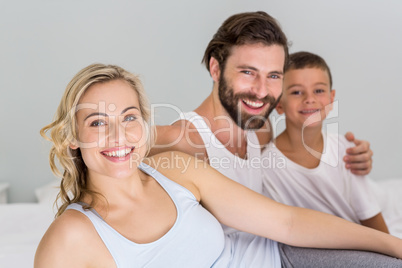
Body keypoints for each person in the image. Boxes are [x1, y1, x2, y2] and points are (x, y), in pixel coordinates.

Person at [35, 63, 402, 268]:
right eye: (98, 123)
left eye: (129, 118)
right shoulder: (70, 239)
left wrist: (393, 245)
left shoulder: (175, 168)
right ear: (72, 136)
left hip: (282, 260)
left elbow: (287, 222)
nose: (118, 136)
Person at [151, 11, 378, 266]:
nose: (261, 91)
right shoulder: (181, 139)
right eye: (248, 72)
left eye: (273, 76)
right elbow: (108, 144)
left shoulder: (260, 129)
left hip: (281, 253)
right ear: (216, 68)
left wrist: (354, 154)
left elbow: (296, 152)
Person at [262, 51, 389, 233]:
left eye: (319, 90)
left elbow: (371, 218)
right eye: (296, 92)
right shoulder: (267, 166)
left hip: (359, 239)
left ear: (331, 98)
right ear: (279, 104)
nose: (309, 99)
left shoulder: (346, 151)